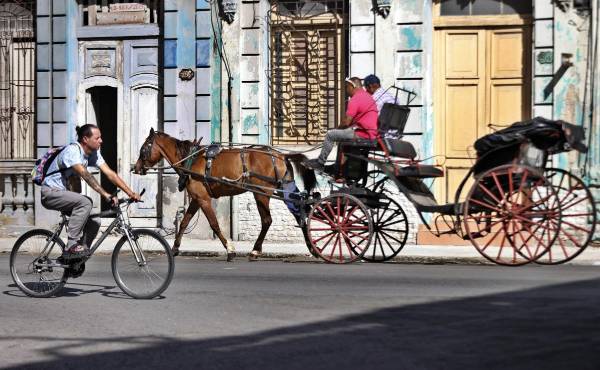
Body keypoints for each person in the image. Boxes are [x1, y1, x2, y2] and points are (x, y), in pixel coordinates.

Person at [41, 124, 141, 260]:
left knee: (95, 220)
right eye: (97, 138)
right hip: (51, 193)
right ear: (85, 139)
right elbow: (85, 174)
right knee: (85, 202)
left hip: (65, 194)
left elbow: (110, 174)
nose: (101, 141)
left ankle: (78, 258)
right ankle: (71, 245)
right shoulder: (72, 151)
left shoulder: (93, 153)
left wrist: (130, 193)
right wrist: (106, 194)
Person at [304, 77, 378, 170]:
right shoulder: (368, 97)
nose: (346, 90)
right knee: (341, 137)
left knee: (330, 135)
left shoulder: (356, 99)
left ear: (352, 86)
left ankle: (320, 162)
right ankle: (340, 167)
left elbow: (346, 122)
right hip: (370, 133)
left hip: (363, 134)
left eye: (347, 87)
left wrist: (337, 129)